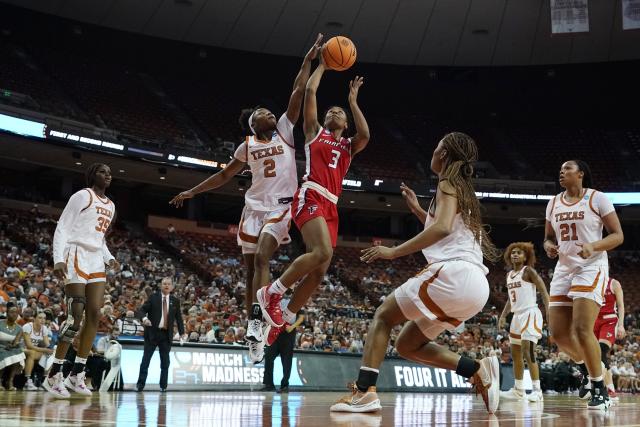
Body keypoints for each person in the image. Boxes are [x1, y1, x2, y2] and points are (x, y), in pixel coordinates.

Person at [169, 34, 324, 363]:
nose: (271, 113)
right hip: (252, 209)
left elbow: (298, 91)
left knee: (265, 257)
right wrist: (193, 190)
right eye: (265, 112)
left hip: (281, 208)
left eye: (271, 111)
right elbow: (225, 176)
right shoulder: (247, 146)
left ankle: (259, 318)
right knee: (250, 271)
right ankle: (253, 329)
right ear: (254, 123)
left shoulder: (284, 128)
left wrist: (308, 61)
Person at [329, 133, 501, 414]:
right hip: (476, 288)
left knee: (383, 316)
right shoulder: (464, 188)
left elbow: (443, 228)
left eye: (435, 147)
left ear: (443, 154)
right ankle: (476, 369)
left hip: (454, 276)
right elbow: (449, 229)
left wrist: (394, 251)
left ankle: (364, 392)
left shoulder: (447, 182)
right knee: (408, 344)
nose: (432, 153)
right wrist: (422, 212)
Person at [258, 49, 370, 346]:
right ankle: (272, 292)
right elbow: (309, 90)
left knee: (320, 270)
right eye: (331, 111)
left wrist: (353, 102)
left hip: (331, 204)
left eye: (340, 113)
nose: (334, 112)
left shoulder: (348, 146)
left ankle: (284, 315)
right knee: (320, 253)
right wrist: (322, 65)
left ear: (346, 124)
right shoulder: (313, 132)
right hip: (310, 194)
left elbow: (366, 135)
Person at [543, 160, 624, 409]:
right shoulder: (553, 202)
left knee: (580, 329)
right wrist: (548, 247)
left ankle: (600, 388)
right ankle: (588, 370)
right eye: (560, 168)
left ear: (580, 174)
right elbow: (547, 237)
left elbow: (617, 235)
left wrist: (594, 246)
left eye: (567, 168)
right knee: (557, 334)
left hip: (591, 266)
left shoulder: (597, 199)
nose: (561, 171)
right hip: (564, 267)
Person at [498, 242, 550, 402]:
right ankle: (518, 390)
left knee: (528, 352)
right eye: (513, 252)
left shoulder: (528, 271)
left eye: (519, 253)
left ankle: (537, 391)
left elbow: (543, 290)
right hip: (516, 316)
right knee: (516, 354)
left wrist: (549, 312)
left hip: (530, 313)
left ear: (526, 256)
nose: (515, 254)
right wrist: (502, 316)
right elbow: (510, 298)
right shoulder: (509, 275)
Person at [136, 277, 186, 392]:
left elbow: (179, 318)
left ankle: (163, 386)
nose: (166, 286)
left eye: (169, 284)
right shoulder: (153, 297)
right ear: (161, 285)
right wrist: (144, 319)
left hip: (166, 335)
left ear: (172, 287)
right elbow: (141, 310)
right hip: (152, 333)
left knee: (165, 362)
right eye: (164, 284)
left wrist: (182, 332)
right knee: (145, 360)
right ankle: (140, 384)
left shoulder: (175, 301)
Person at [262, 292, 304, 393]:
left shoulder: (296, 300)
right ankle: (269, 384)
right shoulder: (275, 299)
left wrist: (293, 327)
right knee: (268, 356)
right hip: (275, 330)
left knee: (286, 360)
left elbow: (301, 317)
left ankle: (284, 385)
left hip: (288, 331)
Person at [593, 277, 625, 400]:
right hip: (594, 321)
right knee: (596, 355)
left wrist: (621, 325)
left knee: (601, 352)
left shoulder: (614, 283)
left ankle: (607, 389)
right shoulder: (590, 282)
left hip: (609, 320)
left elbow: (621, 306)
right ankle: (608, 388)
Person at [22, 311, 53, 390]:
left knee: (50, 355)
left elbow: (47, 344)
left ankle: (44, 382)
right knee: (32, 353)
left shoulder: (44, 328)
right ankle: (27, 382)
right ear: (34, 318)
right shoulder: (27, 326)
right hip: (22, 349)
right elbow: (28, 345)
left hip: (34, 351)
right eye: (40, 318)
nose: (42, 320)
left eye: (44, 318)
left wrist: (51, 349)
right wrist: (44, 349)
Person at [0, 303, 25, 390]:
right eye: (12, 312)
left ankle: (10, 381)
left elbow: (16, 342)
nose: (14, 314)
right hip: (0, 347)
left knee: (18, 355)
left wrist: (14, 345)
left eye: (16, 312)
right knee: (3, 354)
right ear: (7, 313)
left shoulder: (19, 328)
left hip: (10, 348)